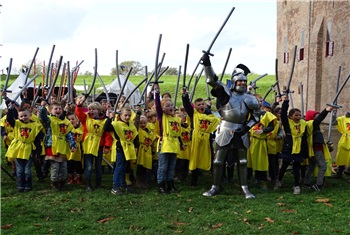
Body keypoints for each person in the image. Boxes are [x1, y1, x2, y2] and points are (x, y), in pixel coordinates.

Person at [201, 54, 261, 199]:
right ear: (234, 82)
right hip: (225, 128)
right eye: (239, 81)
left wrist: (247, 127)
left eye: (244, 81)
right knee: (218, 160)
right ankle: (215, 186)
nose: (242, 83)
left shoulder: (250, 98)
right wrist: (207, 64)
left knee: (242, 161)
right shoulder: (225, 93)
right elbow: (212, 80)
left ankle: (244, 187)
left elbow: (257, 115)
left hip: (242, 130)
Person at [181, 88, 220, 186]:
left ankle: (215, 179)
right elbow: (187, 105)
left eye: (203, 104)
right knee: (195, 158)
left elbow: (215, 121)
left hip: (207, 139)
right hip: (196, 139)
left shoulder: (209, 114)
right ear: (195, 107)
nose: (201, 106)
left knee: (211, 157)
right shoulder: (193, 113)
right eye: (199, 105)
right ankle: (194, 180)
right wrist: (185, 96)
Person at [38, 101, 77, 191]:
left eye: (59, 108)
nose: (58, 110)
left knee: (63, 166)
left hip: (62, 146)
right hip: (52, 146)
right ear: (50, 111)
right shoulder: (49, 120)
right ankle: (54, 182)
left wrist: (72, 144)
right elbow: (42, 118)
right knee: (55, 166)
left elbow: (69, 134)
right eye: (55, 109)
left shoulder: (66, 122)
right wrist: (42, 107)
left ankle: (62, 182)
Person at [274, 94, 308, 195]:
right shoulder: (288, 123)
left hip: (298, 148)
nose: (298, 116)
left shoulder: (303, 124)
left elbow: (305, 138)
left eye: (299, 115)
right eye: (296, 115)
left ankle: (296, 185)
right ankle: (279, 181)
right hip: (289, 147)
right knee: (284, 165)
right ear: (291, 116)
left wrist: (304, 152)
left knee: (296, 167)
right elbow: (283, 114)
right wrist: (286, 102)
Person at [75, 99, 113, 192]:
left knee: (98, 166)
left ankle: (98, 184)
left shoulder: (105, 121)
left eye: (94, 109)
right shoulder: (86, 118)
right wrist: (79, 106)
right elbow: (79, 113)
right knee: (88, 166)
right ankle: (88, 185)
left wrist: (107, 146)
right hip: (88, 146)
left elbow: (107, 135)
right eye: (90, 109)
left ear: (99, 111)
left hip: (99, 147)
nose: (91, 111)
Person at [5, 104, 43, 192]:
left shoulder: (35, 125)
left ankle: (28, 185)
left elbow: (38, 139)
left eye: (25, 115)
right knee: (20, 169)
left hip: (29, 149)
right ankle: (21, 185)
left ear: (30, 115)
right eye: (21, 116)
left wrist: (37, 151)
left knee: (27, 170)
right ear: (18, 117)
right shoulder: (17, 124)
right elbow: (9, 119)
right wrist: (10, 110)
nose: (23, 118)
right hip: (18, 148)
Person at [154, 83, 183, 194]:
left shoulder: (176, 119)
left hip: (174, 143)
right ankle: (161, 185)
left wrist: (181, 143)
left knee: (171, 166)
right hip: (165, 144)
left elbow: (178, 132)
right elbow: (157, 105)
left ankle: (170, 184)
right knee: (163, 166)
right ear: (162, 108)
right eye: (167, 106)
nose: (170, 107)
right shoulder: (162, 117)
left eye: (171, 105)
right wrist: (157, 92)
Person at [105, 106, 139, 195]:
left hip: (128, 149)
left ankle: (122, 184)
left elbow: (135, 136)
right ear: (121, 115)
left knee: (124, 167)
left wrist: (136, 147)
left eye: (129, 115)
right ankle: (115, 186)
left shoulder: (131, 125)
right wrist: (110, 118)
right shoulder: (116, 124)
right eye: (125, 115)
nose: (127, 117)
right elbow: (106, 128)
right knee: (119, 168)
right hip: (120, 149)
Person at [247, 94, 277, 191]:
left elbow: (272, 127)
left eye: (260, 101)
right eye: (256, 101)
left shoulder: (267, 115)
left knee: (261, 162)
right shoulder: (248, 114)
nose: (259, 103)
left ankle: (262, 181)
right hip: (250, 140)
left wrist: (263, 131)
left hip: (260, 142)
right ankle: (246, 181)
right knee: (248, 162)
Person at [303, 105, 335, 191]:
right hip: (316, 149)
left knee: (312, 166)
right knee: (323, 166)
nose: (318, 118)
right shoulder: (311, 124)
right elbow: (319, 118)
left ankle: (306, 182)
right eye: (316, 117)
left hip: (315, 148)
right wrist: (326, 110)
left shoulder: (313, 126)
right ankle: (318, 184)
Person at [66, 112, 84, 185]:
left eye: (73, 119)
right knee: (70, 164)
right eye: (69, 119)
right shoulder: (67, 128)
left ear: (76, 119)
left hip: (78, 150)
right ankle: (71, 178)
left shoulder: (81, 127)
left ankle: (79, 178)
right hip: (69, 149)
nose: (71, 121)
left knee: (78, 165)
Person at [332, 111, 350, 178]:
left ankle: (348, 172)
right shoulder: (342, 118)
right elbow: (334, 123)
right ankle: (339, 173)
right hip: (344, 140)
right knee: (341, 156)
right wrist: (333, 115)